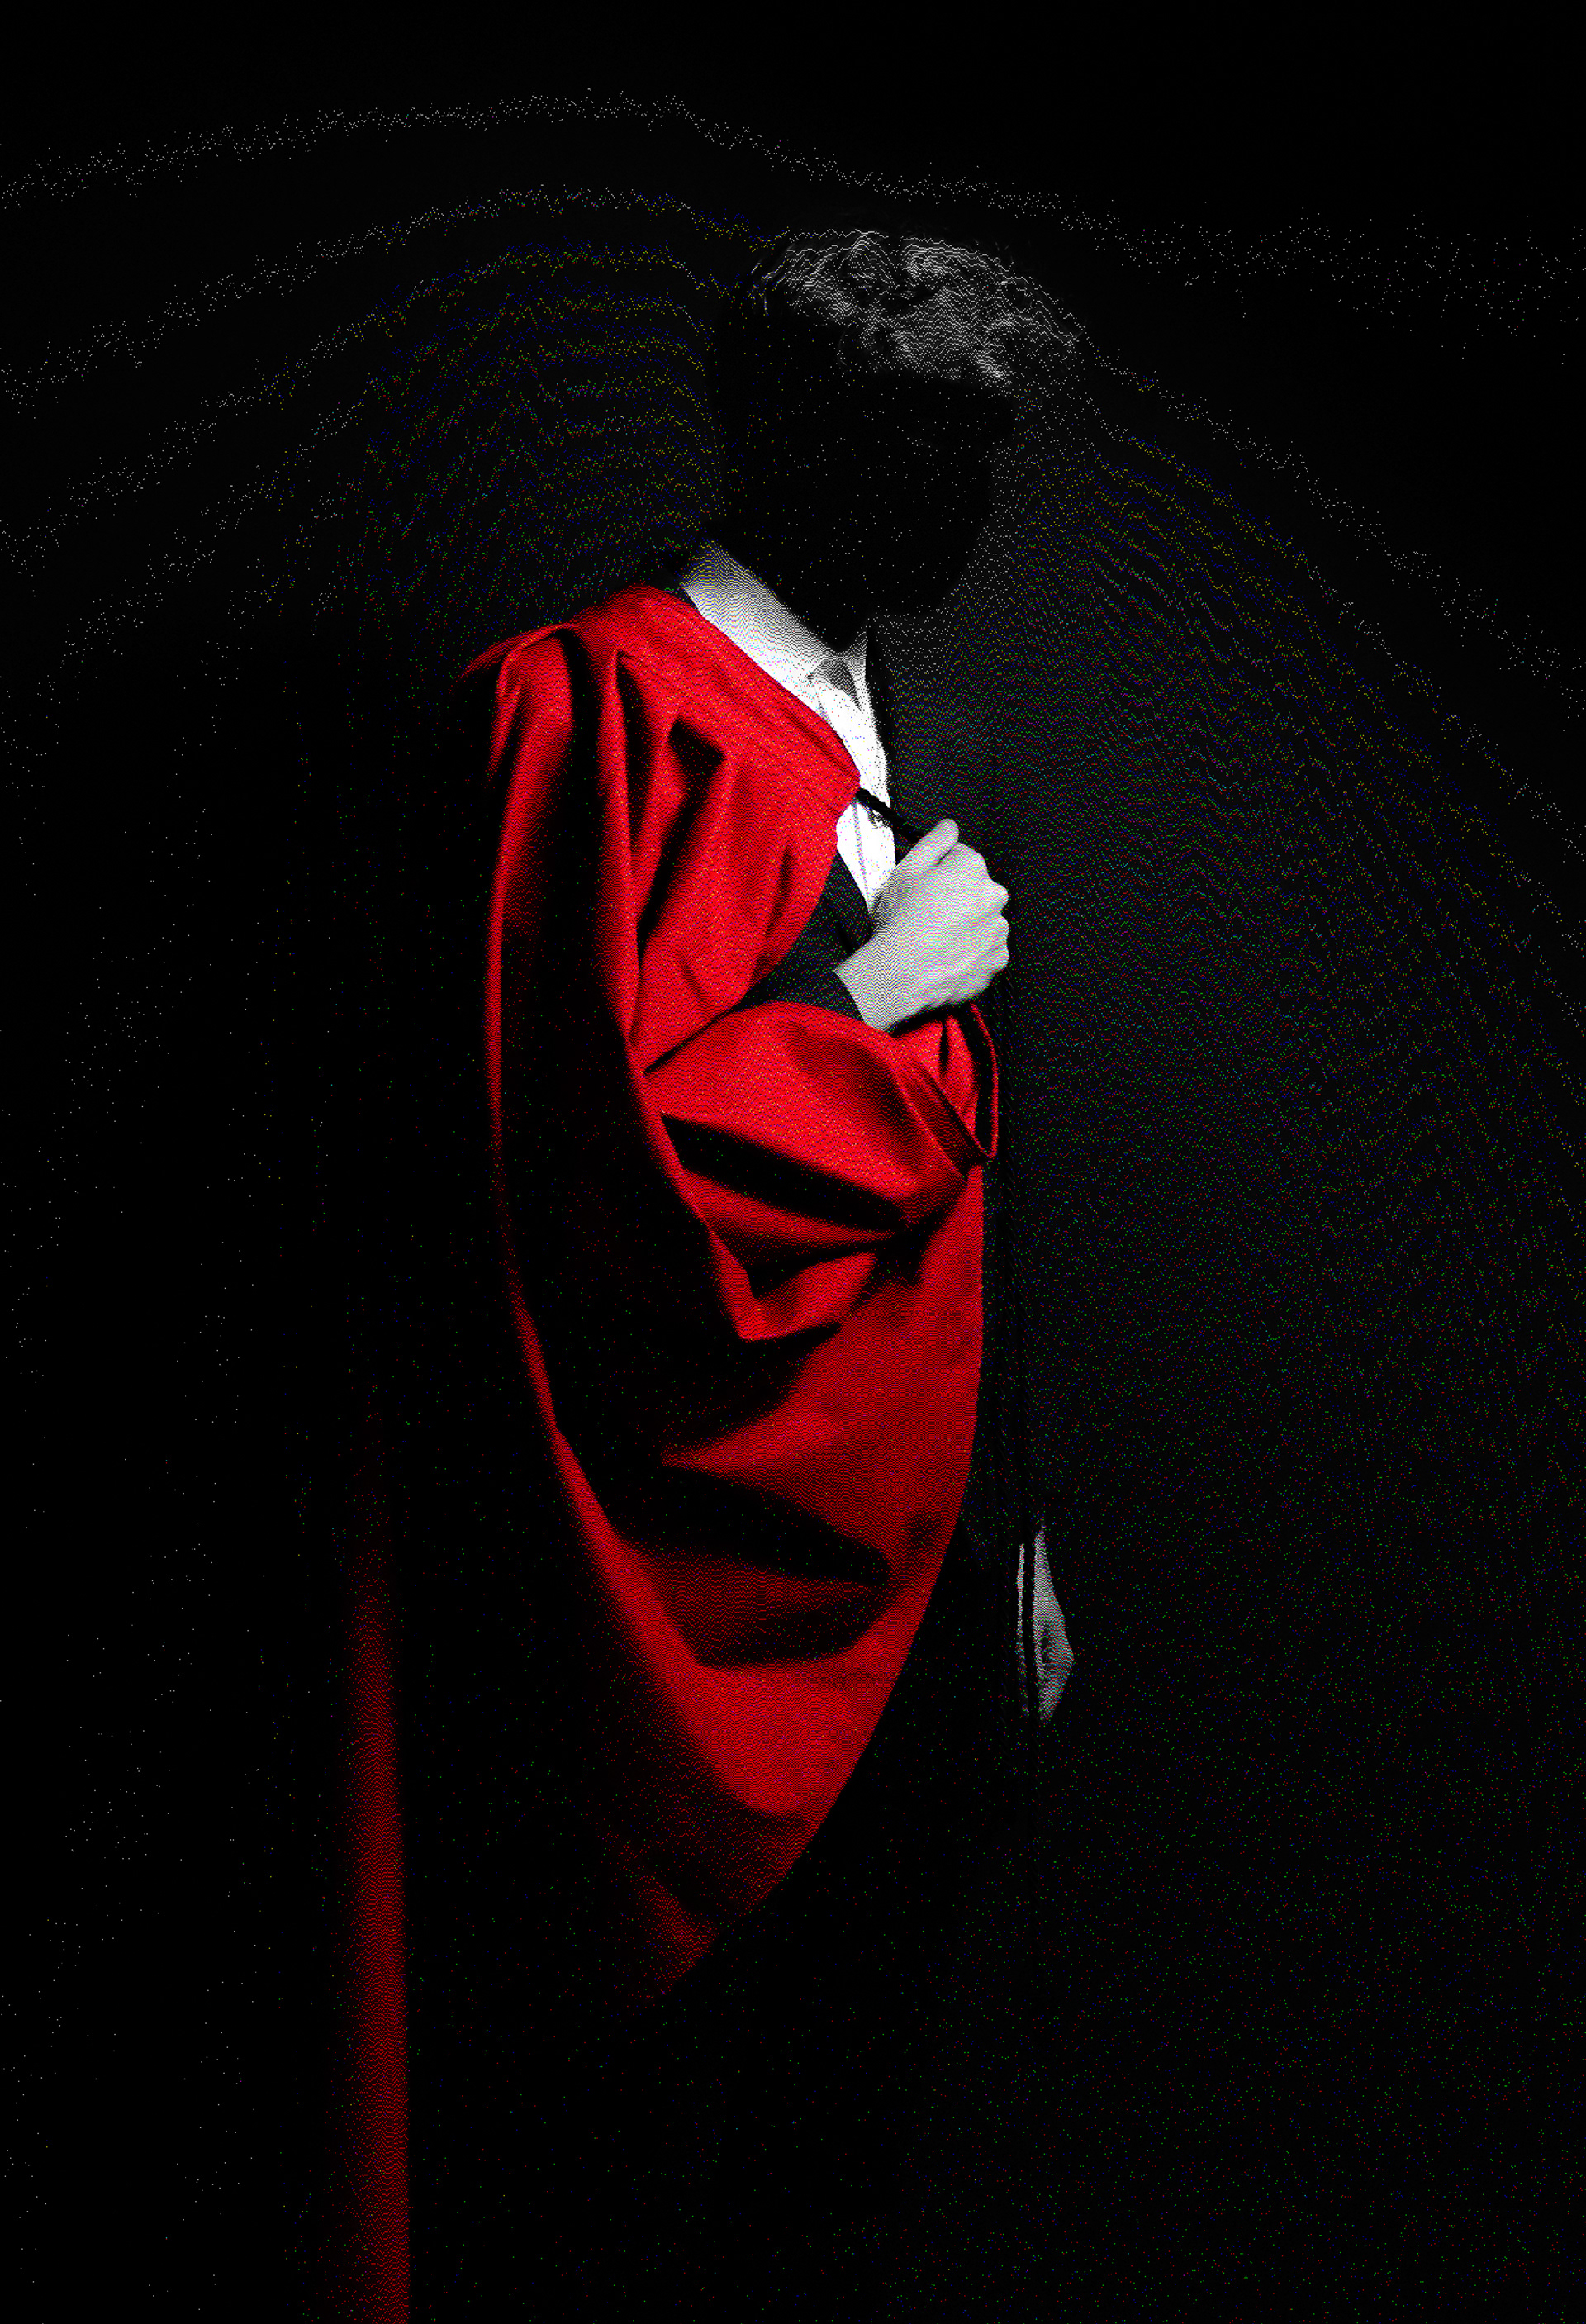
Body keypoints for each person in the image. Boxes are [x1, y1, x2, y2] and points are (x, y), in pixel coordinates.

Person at [444, 227, 1080, 2314]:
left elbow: (980, 1185)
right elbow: (570, 1184)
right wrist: (870, 1003)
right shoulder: (574, 707)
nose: (960, 495)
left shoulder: (937, 734)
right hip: (676, 1582)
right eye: (914, 439)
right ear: (782, 436)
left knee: (854, 2157)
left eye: (982, 446)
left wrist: (1013, 1523)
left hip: (926, 1559)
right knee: (627, 2164)